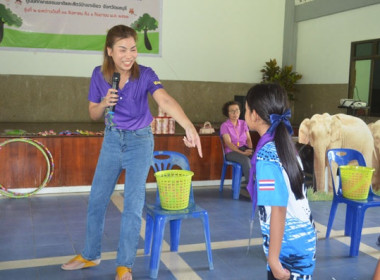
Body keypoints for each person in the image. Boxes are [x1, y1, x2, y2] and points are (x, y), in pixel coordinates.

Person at [61, 25, 202, 280]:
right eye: (122, 49)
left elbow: (165, 100)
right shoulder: (98, 75)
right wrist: (104, 102)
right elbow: (93, 113)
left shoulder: (146, 74)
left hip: (140, 142)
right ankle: (90, 254)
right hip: (112, 140)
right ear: (109, 51)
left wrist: (189, 126)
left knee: (133, 204)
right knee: (97, 200)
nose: (129, 55)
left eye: (133, 49)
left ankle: (124, 264)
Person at [244, 84, 316, 280]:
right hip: (302, 239)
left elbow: (278, 207)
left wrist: (273, 259)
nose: (245, 114)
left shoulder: (267, 155)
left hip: (287, 248)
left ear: (254, 115)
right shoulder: (283, 145)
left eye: (246, 109)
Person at [220, 101, 253, 184]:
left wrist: (250, 149)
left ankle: (258, 183)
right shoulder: (225, 126)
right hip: (231, 152)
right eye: (232, 111)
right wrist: (242, 152)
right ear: (227, 113)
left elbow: (248, 139)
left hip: (244, 148)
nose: (235, 113)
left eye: (237, 110)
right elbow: (228, 143)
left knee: (257, 157)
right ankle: (252, 186)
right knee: (245, 160)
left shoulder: (244, 123)